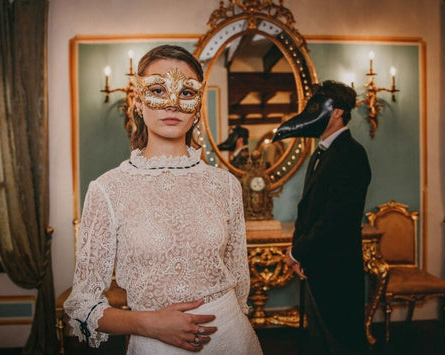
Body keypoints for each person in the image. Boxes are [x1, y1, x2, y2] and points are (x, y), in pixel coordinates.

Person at [64, 45, 263, 354]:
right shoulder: (108, 189)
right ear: (139, 102)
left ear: (197, 105)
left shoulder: (225, 185)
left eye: (186, 92)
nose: (172, 103)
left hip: (232, 341)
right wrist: (148, 324)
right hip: (156, 346)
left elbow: (239, 283)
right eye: (158, 89)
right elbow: (82, 304)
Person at [273, 80, 371, 354]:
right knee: (320, 342)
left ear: (337, 111)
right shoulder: (321, 153)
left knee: (342, 341)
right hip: (318, 266)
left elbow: (336, 219)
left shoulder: (351, 154)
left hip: (337, 271)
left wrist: (296, 252)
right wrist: (302, 255)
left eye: (317, 106)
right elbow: (308, 210)